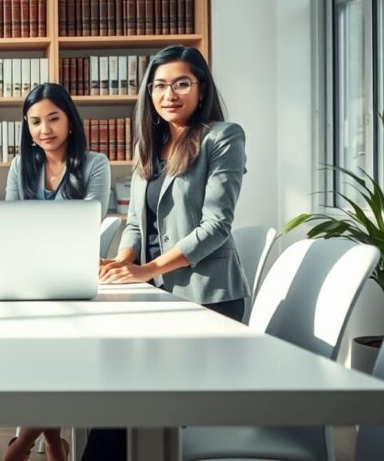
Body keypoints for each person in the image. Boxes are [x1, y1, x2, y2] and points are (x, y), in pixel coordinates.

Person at [87, 44, 249, 461]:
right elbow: (138, 225)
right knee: (111, 396)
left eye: (181, 83)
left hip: (208, 298)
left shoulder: (222, 136)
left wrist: (147, 270)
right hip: (159, 294)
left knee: (123, 401)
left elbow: (216, 226)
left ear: (201, 89)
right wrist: (123, 261)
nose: (169, 94)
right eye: (159, 85)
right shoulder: (151, 144)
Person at [2, 82, 111, 461]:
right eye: (34, 122)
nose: (44, 129)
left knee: (55, 356)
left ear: (70, 122)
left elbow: (89, 219)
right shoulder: (21, 165)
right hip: (30, 280)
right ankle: (52, 442)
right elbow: (11, 224)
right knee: (38, 356)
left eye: (53, 118)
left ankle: (24, 441)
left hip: (73, 277)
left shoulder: (95, 163)